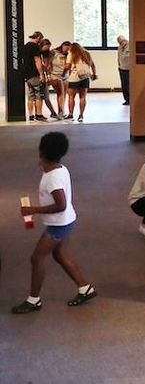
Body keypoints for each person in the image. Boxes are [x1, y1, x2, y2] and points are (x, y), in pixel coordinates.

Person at [12, 132, 97, 314]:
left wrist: (32, 209)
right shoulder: (59, 168)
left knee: (36, 258)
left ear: (41, 151)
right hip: (66, 220)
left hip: (59, 224)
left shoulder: (52, 178)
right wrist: (45, 167)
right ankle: (85, 288)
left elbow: (61, 204)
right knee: (59, 255)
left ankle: (34, 300)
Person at [65, 43, 97, 123]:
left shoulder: (71, 54)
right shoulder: (87, 53)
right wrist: (94, 74)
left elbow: (68, 66)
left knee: (71, 97)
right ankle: (81, 115)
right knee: (82, 97)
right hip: (85, 77)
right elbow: (93, 65)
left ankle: (70, 114)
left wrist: (62, 72)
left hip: (74, 78)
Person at [22, 31, 47, 122]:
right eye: (41, 39)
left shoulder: (25, 46)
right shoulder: (35, 47)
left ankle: (30, 115)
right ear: (38, 37)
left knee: (30, 96)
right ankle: (39, 115)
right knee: (39, 95)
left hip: (27, 75)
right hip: (35, 74)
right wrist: (41, 74)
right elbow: (37, 61)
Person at [37, 40, 61, 121]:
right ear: (42, 45)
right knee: (42, 97)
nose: (48, 48)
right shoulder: (38, 54)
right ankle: (49, 113)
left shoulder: (47, 54)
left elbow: (47, 67)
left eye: (49, 47)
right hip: (40, 77)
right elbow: (44, 66)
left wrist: (48, 75)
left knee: (45, 96)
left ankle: (52, 112)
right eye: (47, 47)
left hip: (45, 76)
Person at [50, 41, 71, 118]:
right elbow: (48, 63)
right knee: (60, 93)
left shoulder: (69, 55)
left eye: (68, 49)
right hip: (55, 75)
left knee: (63, 94)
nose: (67, 50)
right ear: (62, 46)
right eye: (66, 47)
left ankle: (61, 111)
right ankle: (61, 111)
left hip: (65, 76)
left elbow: (69, 66)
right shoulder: (54, 52)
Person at [117, 35, 131, 105]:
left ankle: (130, 99)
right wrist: (119, 65)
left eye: (121, 42)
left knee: (129, 85)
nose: (120, 44)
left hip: (128, 69)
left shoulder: (131, 46)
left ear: (125, 40)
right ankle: (126, 99)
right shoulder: (119, 47)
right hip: (121, 68)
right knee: (124, 85)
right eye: (119, 43)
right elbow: (118, 57)